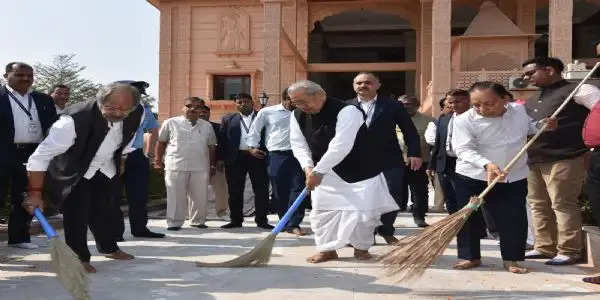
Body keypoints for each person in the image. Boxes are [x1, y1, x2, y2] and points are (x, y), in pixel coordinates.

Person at [24, 82, 143, 273]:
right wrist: (35, 193)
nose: (118, 113)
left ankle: (109, 248)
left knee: (106, 210)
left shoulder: (137, 113)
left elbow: (124, 143)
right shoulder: (72, 120)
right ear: (100, 100)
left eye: (124, 109)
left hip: (105, 167)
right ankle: (78, 258)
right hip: (73, 168)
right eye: (111, 107)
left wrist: (118, 164)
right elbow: (40, 157)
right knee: (77, 214)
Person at [451, 81, 556, 274]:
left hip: (513, 175)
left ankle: (512, 259)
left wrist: (542, 125)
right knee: (469, 218)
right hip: (473, 175)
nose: (482, 109)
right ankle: (469, 256)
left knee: (513, 217)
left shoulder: (518, 111)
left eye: (489, 103)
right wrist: (487, 164)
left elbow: (529, 128)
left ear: (505, 99)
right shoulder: (463, 120)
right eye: (476, 104)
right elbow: (463, 149)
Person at [289, 80, 398, 262]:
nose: (301, 106)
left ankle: (361, 248)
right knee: (322, 212)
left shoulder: (348, 111)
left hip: (360, 172)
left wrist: (318, 171)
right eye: (296, 102)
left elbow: (341, 145)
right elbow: (298, 144)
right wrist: (308, 168)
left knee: (363, 213)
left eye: (303, 101)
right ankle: (327, 249)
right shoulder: (297, 115)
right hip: (324, 174)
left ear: (320, 95)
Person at [522, 57, 600, 265]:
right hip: (534, 158)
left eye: (531, 73)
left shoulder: (579, 91)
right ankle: (544, 246)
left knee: (562, 203)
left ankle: (569, 250)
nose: (526, 78)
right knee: (538, 204)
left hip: (565, 156)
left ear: (549, 70)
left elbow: (598, 113)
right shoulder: (533, 99)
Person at [346, 72, 422, 244]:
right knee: (362, 197)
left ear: (378, 85)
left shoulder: (393, 106)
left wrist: (414, 153)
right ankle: (365, 234)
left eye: (368, 82)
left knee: (392, 196)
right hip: (357, 162)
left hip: (389, 160)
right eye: (358, 83)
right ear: (353, 86)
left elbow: (409, 131)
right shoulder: (346, 106)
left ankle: (386, 230)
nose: (363, 86)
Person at [1, 62, 57, 249]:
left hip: (33, 154)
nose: (26, 79)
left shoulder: (43, 99)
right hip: (4, 152)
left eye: (30, 75)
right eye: (20, 75)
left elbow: (52, 126)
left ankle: (19, 238)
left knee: (26, 195)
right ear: (6, 75)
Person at [247, 88, 306, 236]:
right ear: (285, 98)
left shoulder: (304, 112)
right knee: (280, 190)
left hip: (300, 154)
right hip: (277, 155)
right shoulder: (267, 112)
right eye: (292, 99)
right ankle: (284, 222)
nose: (295, 103)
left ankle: (294, 223)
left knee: (298, 188)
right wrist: (252, 148)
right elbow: (254, 130)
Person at [154, 97, 217, 230]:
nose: (192, 109)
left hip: (200, 166)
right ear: (183, 108)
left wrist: (212, 165)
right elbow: (161, 142)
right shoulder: (170, 123)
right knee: (175, 196)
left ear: (201, 110)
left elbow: (212, 146)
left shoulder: (207, 126)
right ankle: (174, 223)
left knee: (200, 197)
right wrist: (158, 161)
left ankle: (198, 221)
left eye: (197, 106)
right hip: (175, 165)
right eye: (189, 106)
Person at [113, 80, 164, 239]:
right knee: (112, 196)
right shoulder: (111, 108)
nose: (139, 97)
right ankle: (114, 232)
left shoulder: (143, 109)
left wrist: (149, 152)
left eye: (139, 94)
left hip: (136, 155)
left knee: (139, 196)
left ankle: (140, 228)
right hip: (113, 155)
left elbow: (153, 129)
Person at [218, 93, 273, 229]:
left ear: (252, 103)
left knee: (261, 190)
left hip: (258, 157)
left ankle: (262, 221)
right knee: (235, 190)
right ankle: (236, 220)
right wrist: (220, 159)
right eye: (239, 102)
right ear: (235, 104)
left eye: (245, 102)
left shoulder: (262, 116)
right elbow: (222, 140)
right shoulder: (228, 119)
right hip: (235, 158)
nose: (242, 104)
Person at [427, 89, 471, 215]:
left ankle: (470, 228)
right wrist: (432, 165)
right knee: (450, 199)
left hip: (465, 163)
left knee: (464, 198)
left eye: (458, 102)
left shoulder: (475, 118)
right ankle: (454, 225)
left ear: (468, 101)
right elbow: (438, 144)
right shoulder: (444, 119)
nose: (453, 105)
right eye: (450, 102)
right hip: (445, 165)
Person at [397, 95, 434, 225]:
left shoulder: (429, 121)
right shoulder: (390, 119)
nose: (406, 107)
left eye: (409, 104)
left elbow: (434, 143)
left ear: (418, 106)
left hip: (419, 161)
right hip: (396, 162)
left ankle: (419, 216)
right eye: (403, 104)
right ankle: (394, 214)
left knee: (419, 190)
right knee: (396, 189)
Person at [198, 104, 229, 221]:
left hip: (216, 164)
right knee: (195, 190)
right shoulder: (190, 127)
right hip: (196, 164)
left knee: (221, 190)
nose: (202, 114)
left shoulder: (218, 127)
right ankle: (197, 214)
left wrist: (221, 160)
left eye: (204, 112)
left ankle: (222, 212)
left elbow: (223, 144)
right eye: (199, 112)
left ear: (209, 114)